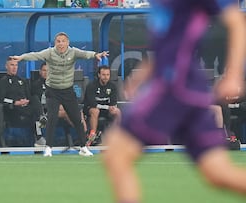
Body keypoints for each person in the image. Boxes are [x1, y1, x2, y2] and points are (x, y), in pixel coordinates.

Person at [103, 1, 246, 202]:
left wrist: (233, 75)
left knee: (116, 154)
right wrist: (141, 76)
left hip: (175, 88)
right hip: (190, 89)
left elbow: (237, 22)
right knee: (218, 173)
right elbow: (169, 45)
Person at [10, 32, 108, 157]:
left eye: (63, 41)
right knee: (52, 118)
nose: (61, 43)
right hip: (53, 91)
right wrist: (22, 57)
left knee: (77, 119)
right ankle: (48, 148)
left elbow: (86, 54)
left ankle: (83, 147)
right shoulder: (50, 52)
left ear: (67, 43)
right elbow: (35, 55)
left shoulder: (73, 52)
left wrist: (96, 55)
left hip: (67, 91)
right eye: (58, 41)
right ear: (55, 43)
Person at [31, 63, 87, 144]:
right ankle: (84, 136)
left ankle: (84, 136)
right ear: (40, 72)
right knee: (71, 112)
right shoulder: (35, 85)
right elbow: (36, 101)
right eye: (44, 70)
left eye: (48, 71)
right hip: (44, 111)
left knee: (76, 111)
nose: (46, 72)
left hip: (58, 109)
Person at [0, 58, 46, 147]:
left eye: (16, 65)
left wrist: (26, 101)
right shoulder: (2, 81)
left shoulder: (23, 81)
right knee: (35, 114)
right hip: (13, 109)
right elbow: (1, 99)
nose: (14, 68)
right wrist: (15, 102)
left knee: (34, 99)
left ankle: (41, 118)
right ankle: (39, 135)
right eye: (12, 65)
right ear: (6, 66)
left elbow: (29, 96)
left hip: (25, 107)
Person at [83, 65, 120, 146]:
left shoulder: (112, 86)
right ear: (99, 75)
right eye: (103, 75)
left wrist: (111, 108)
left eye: (108, 75)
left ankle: (117, 136)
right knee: (95, 110)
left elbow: (113, 104)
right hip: (90, 110)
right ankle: (92, 136)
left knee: (117, 111)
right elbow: (93, 104)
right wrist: (107, 107)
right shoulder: (91, 86)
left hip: (105, 111)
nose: (106, 77)